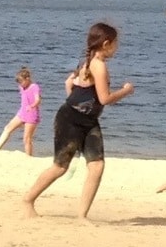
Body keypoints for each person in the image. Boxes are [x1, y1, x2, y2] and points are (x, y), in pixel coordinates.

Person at [22, 22, 134, 219]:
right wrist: (126, 91)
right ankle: (28, 200)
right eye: (116, 43)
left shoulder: (90, 61)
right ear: (106, 43)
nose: (117, 47)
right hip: (70, 120)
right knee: (60, 167)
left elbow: (73, 87)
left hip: (88, 121)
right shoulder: (97, 65)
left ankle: (82, 215)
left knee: (97, 165)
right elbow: (105, 99)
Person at [0, 67, 41, 155]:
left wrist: (32, 106)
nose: (20, 84)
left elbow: (38, 99)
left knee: (26, 139)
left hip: (31, 114)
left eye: (22, 81)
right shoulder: (21, 87)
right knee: (7, 128)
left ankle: (29, 157)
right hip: (22, 113)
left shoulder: (34, 87)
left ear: (27, 79)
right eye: (19, 82)